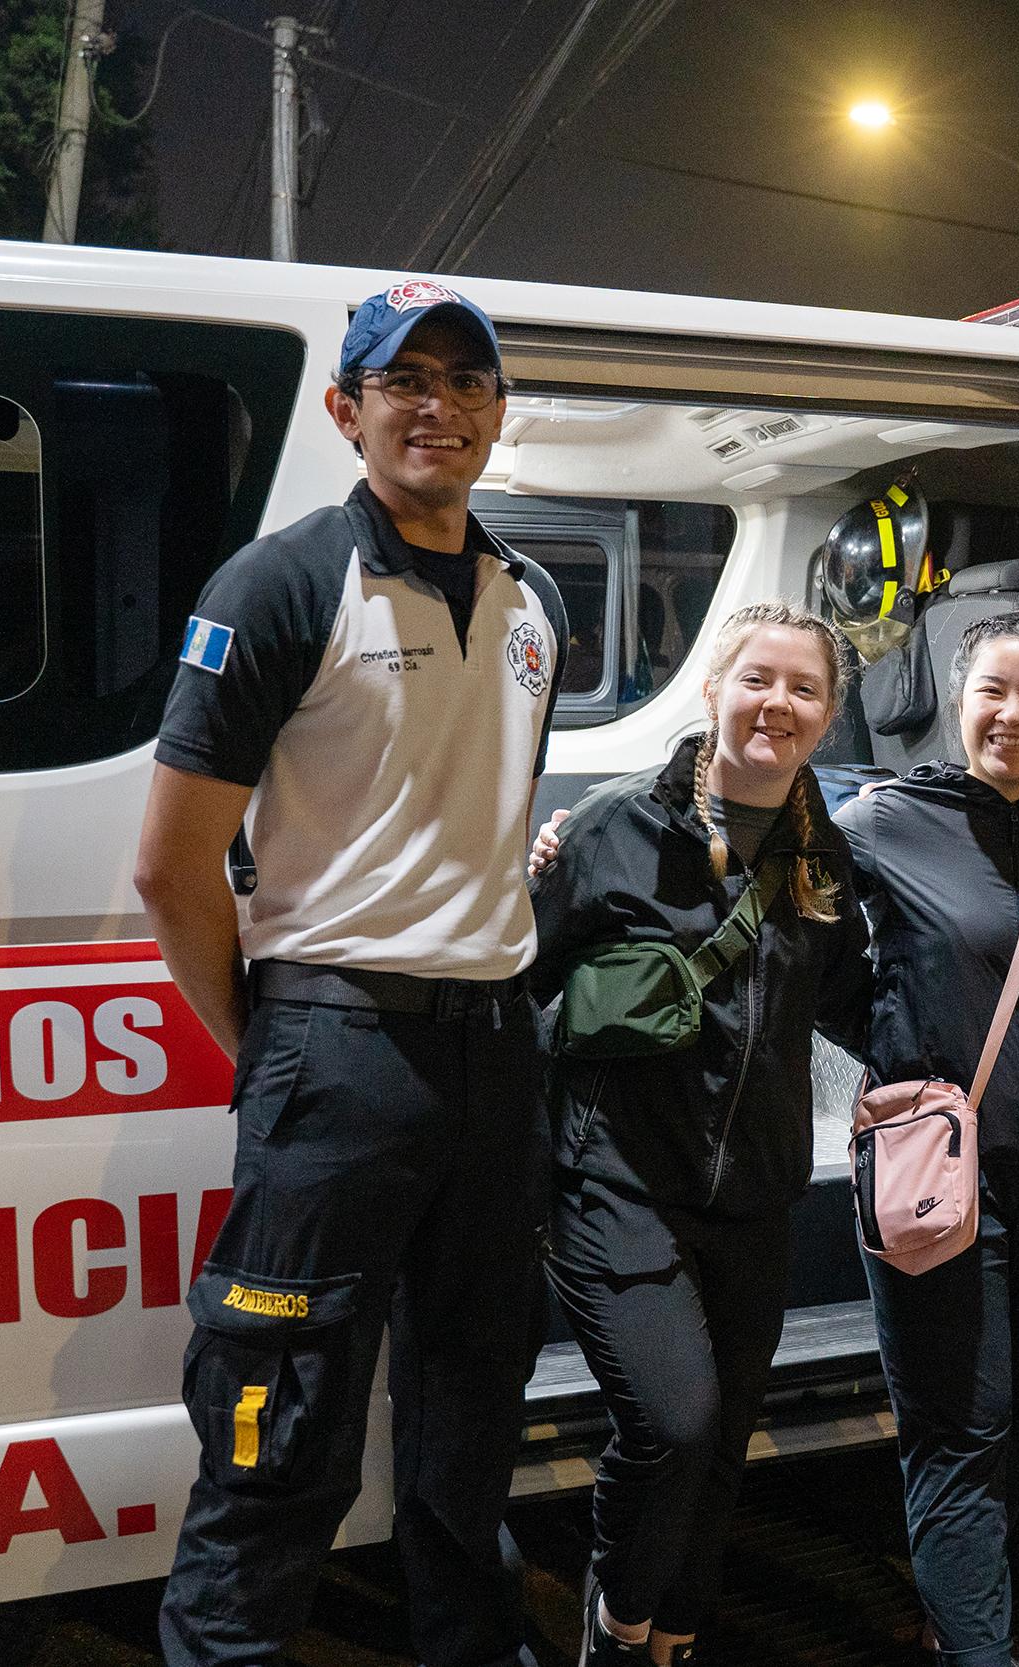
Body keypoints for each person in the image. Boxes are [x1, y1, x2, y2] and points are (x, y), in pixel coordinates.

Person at [138, 282, 565, 1667]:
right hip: (336, 1043)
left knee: (469, 1430)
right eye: (404, 380)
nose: (436, 403)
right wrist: (273, 1041)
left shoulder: (532, 596)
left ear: (500, 411)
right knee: (281, 1442)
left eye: (464, 379)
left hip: (497, 1056)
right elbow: (171, 864)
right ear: (348, 409)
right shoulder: (279, 580)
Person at [528, 600, 873, 1667]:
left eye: (804, 688)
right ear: (716, 685)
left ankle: (677, 1632)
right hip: (616, 1181)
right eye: (757, 677)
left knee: (725, 1440)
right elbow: (516, 988)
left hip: (754, 1193)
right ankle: (618, 1624)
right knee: (671, 1424)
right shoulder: (607, 828)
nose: (778, 702)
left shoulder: (826, 861)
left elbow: (861, 1004)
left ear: (827, 716)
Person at [835, 608, 1019, 1667]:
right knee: (959, 1425)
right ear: (956, 704)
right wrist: (899, 1044)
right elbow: (769, 878)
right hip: (937, 1172)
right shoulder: (879, 820)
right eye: (992, 691)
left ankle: (960, 1603)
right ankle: (977, 1646)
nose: (1011, 713)